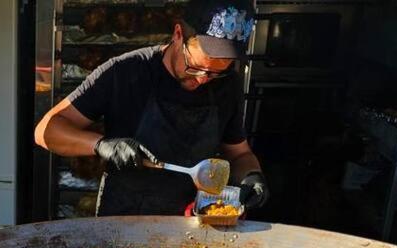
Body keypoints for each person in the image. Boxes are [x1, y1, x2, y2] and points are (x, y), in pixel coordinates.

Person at [35, 0, 268, 217]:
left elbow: (240, 154)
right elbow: (46, 130)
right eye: (195, 67)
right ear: (178, 35)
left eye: (216, 72)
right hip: (122, 219)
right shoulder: (125, 71)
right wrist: (100, 145)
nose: (203, 79)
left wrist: (251, 177)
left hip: (190, 221)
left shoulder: (228, 84)